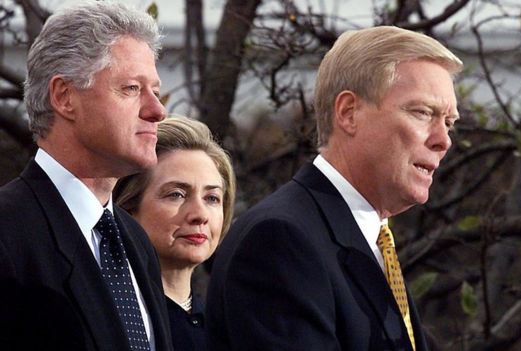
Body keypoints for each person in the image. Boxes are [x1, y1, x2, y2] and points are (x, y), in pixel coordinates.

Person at [205, 26, 463, 351]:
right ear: (349, 113)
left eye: (449, 122)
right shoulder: (280, 240)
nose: (443, 141)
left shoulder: (371, 240)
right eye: (423, 113)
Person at [0, 2, 173, 350]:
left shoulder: (136, 241)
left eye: (155, 90)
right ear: (64, 97)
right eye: (131, 89)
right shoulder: (7, 233)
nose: (158, 110)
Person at [114, 116, 236, 351]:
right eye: (176, 194)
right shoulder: (110, 320)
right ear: (128, 207)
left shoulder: (229, 327)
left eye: (212, 198)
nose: (200, 215)